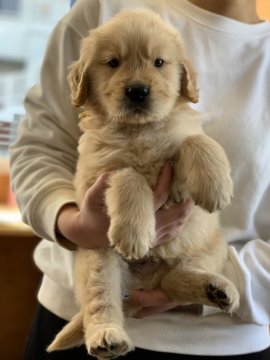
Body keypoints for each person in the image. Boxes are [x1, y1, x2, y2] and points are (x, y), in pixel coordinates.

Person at [9, 0, 270, 359]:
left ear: (184, 77)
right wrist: (75, 223)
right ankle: (101, 317)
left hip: (226, 336)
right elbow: (38, 147)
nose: (136, 82)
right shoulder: (103, 8)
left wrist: (238, 279)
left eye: (158, 64)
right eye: (113, 64)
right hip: (78, 307)